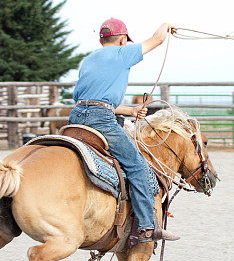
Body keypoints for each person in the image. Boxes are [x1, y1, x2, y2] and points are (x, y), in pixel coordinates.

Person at [68, 18, 178, 243]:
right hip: (101, 120)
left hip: (76, 116)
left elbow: (92, 99)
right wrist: (166, 26)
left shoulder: (88, 60)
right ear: (122, 40)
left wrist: (129, 110)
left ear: (101, 39)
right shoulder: (122, 53)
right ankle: (148, 226)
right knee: (137, 165)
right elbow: (156, 40)